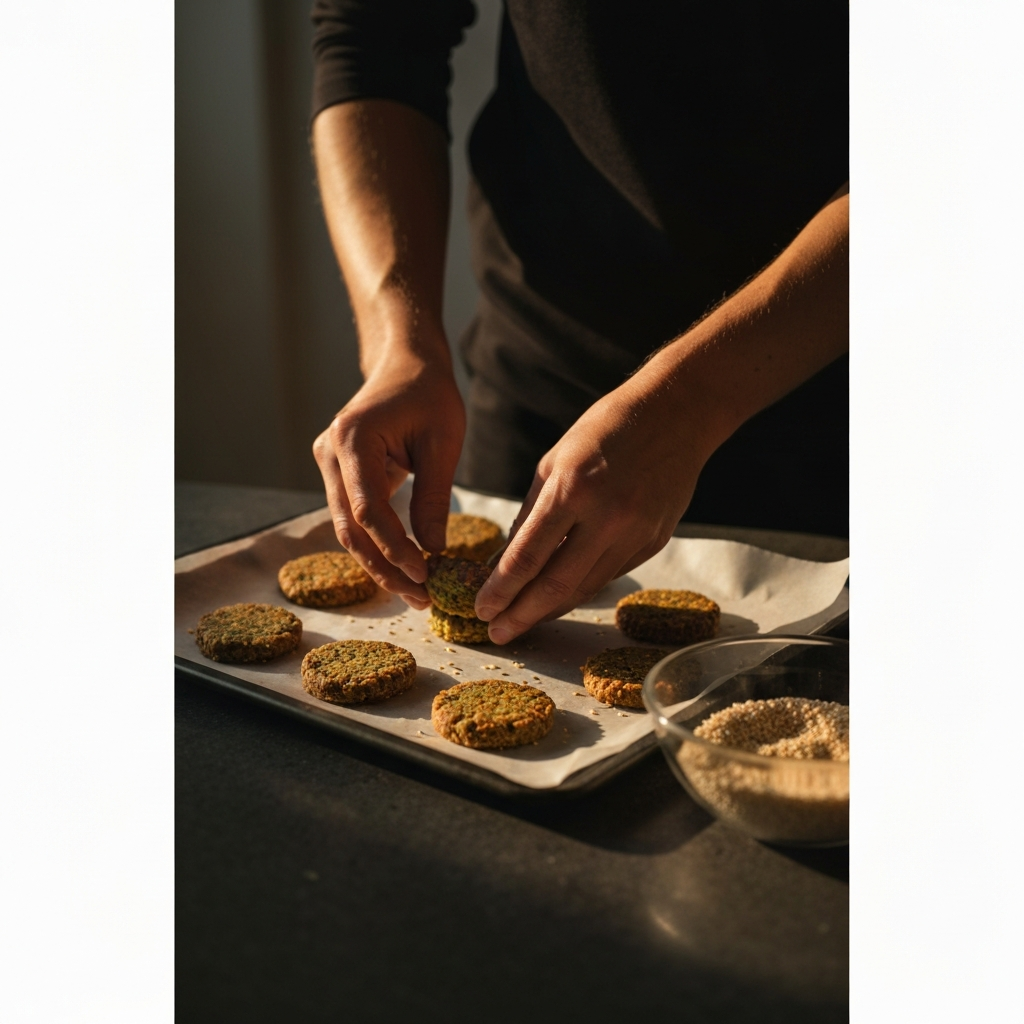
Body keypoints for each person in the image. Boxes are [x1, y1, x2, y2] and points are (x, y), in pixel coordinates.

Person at [308, 1, 849, 645]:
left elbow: (966, 139)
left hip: (838, 438)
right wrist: (402, 341)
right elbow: (374, 41)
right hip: (534, 409)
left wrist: (692, 401)